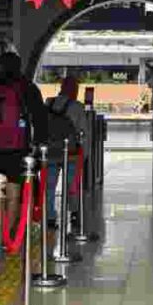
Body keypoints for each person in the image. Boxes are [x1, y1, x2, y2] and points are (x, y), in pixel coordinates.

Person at [0, 52, 47, 230]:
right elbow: (40, 119)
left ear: (1, 66)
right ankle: (8, 234)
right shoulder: (27, 87)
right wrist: (38, 144)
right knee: (14, 195)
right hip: (18, 150)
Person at [45, 76, 88, 230]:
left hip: (50, 152)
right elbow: (83, 133)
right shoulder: (77, 107)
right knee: (72, 185)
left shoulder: (48, 103)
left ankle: (49, 216)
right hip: (71, 153)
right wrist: (84, 156)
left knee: (49, 186)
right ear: (74, 90)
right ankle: (74, 213)